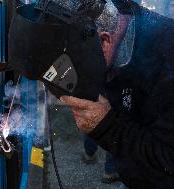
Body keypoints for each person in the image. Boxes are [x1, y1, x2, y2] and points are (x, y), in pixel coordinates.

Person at [60, 0, 174, 188]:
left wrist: (107, 126)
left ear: (104, 41)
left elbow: (168, 165)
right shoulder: (123, 21)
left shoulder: (165, 57)